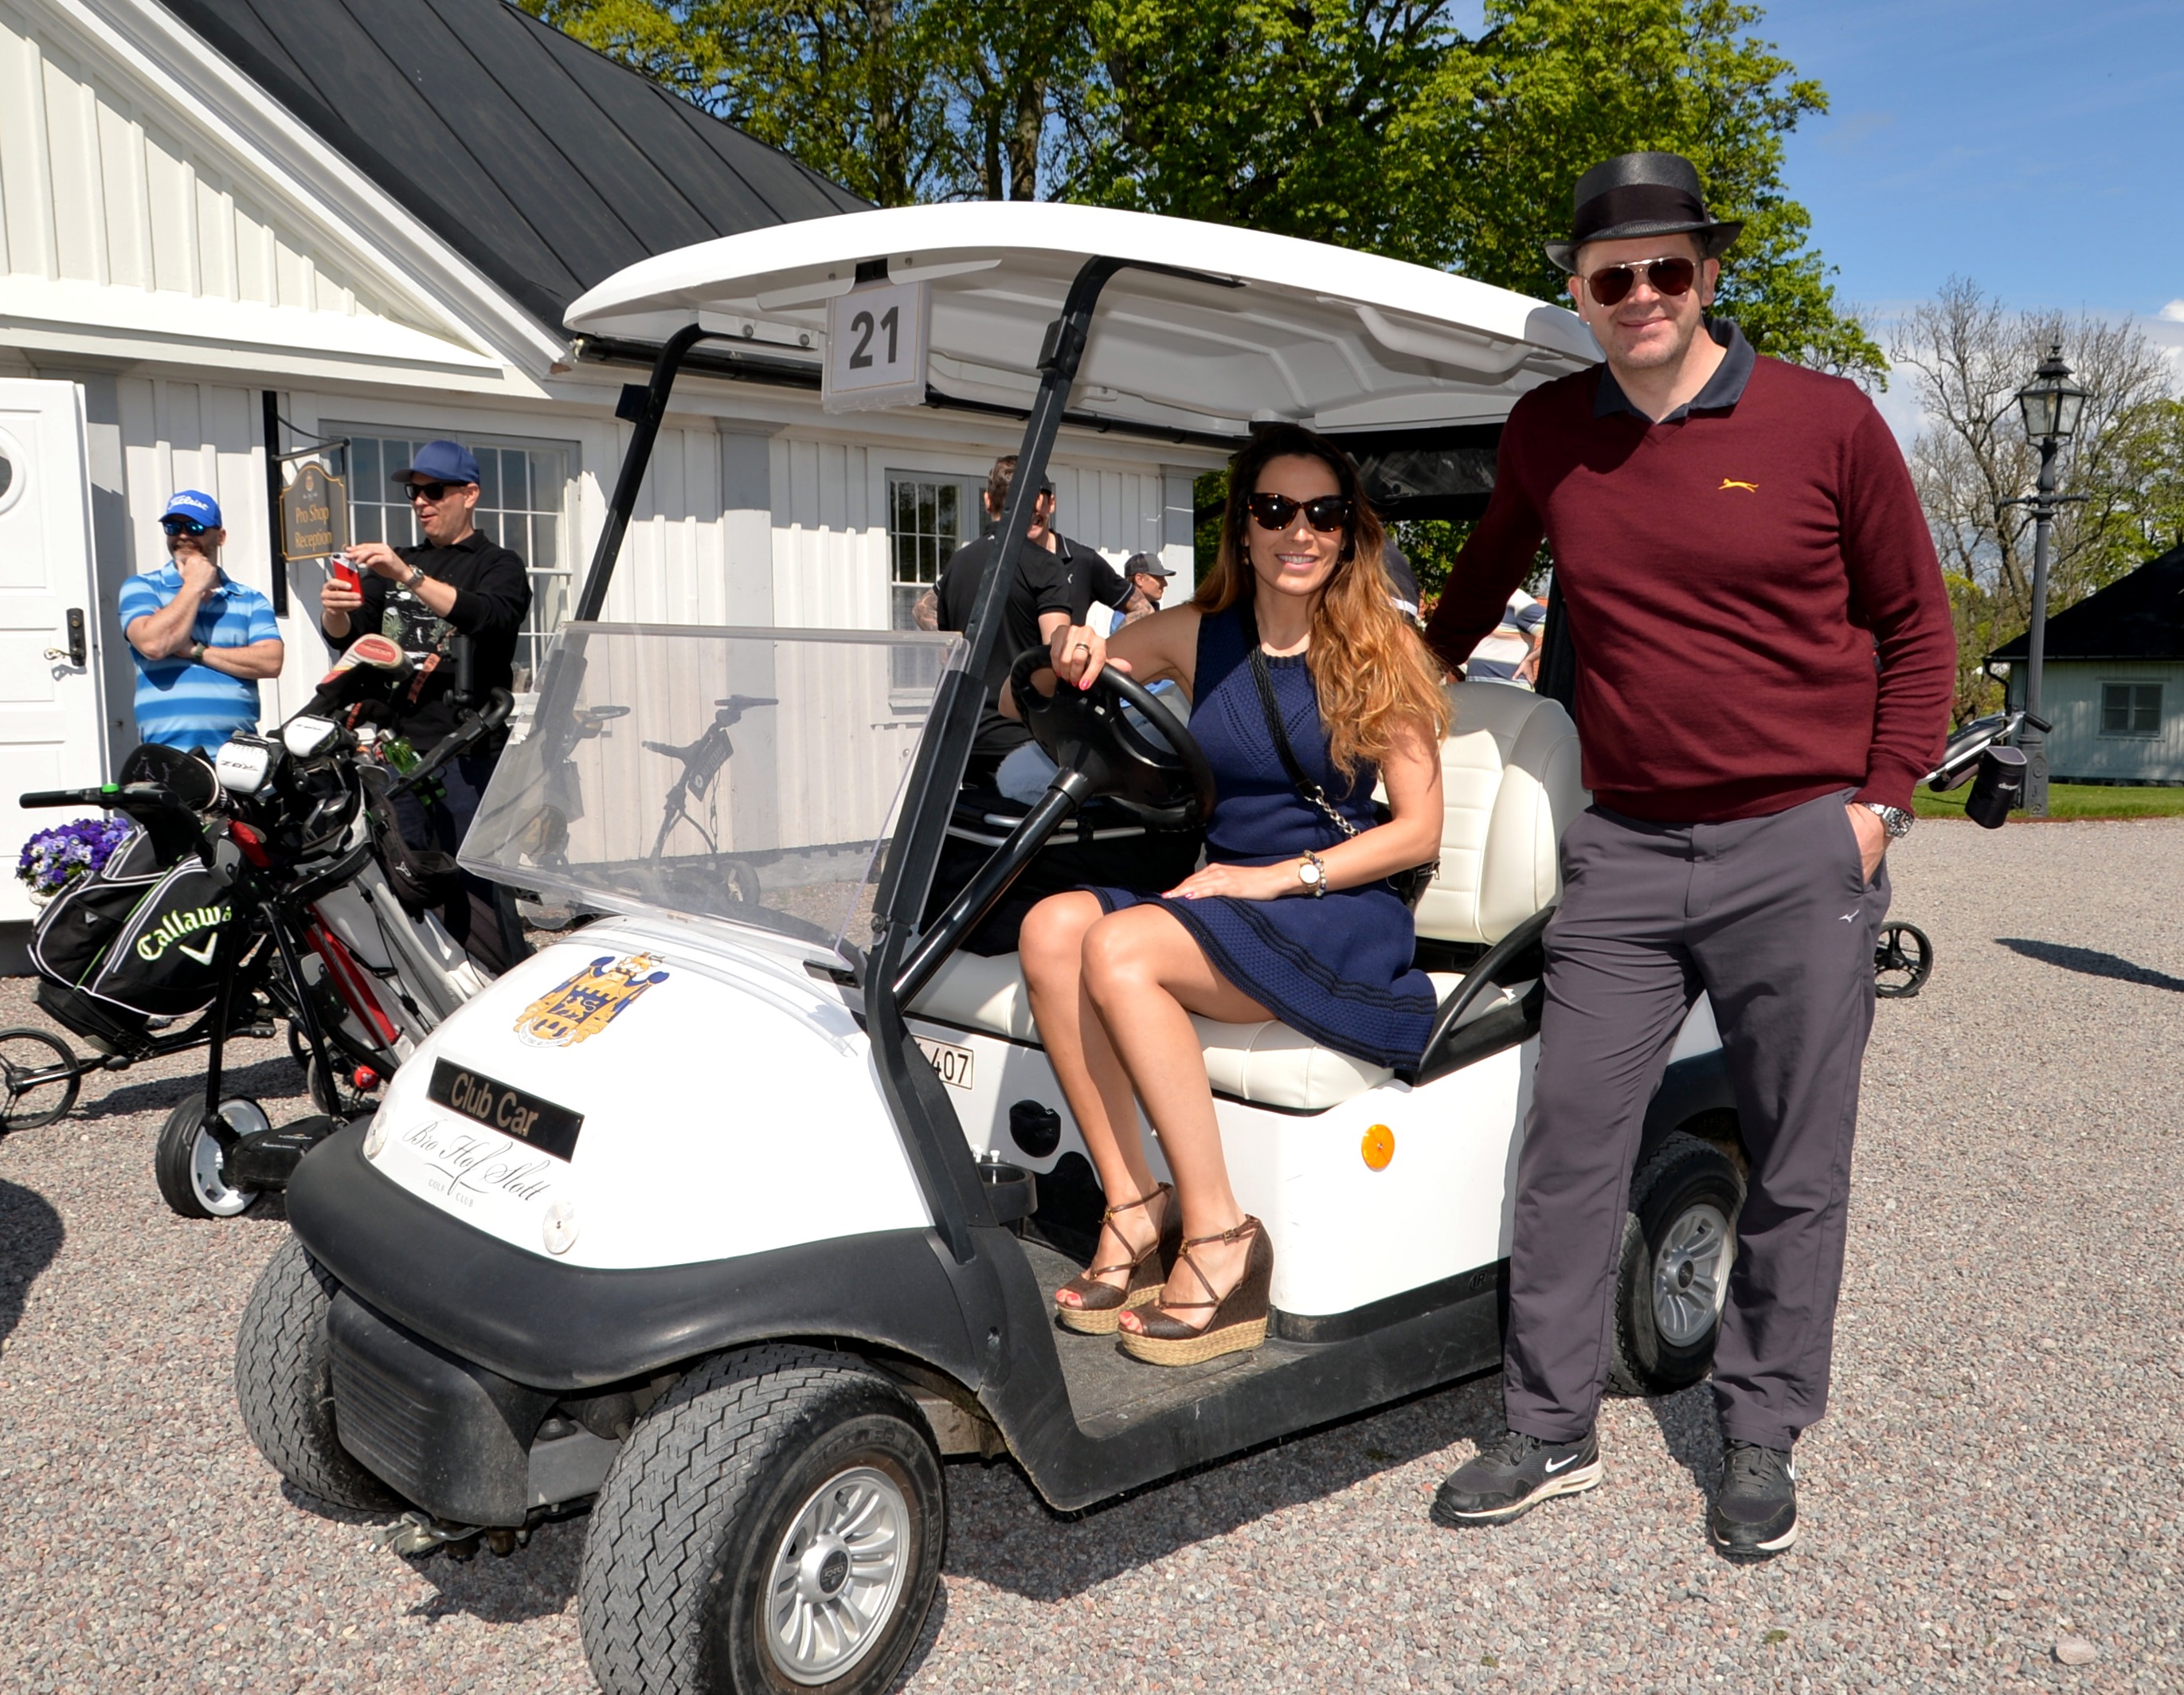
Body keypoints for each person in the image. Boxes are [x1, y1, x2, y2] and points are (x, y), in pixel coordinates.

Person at [1422, 151, 1954, 1555]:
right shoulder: (1547, 432)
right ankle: (1547, 1428)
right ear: (1580, 291)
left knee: (1794, 1155)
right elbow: (1472, 591)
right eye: (1614, 275)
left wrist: (1877, 807)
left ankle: (1759, 1431)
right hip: (1627, 849)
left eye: (1668, 267)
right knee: (1568, 1146)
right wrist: (1368, 695)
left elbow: (1917, 625)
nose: (1643, 292)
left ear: (1709, 275)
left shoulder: (1825, 421)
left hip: (1798, 841)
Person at [1017, 424, 1447, 1366]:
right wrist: (1068, 643)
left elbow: (1419, 832)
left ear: (1347, 532)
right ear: (1242, 528)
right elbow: (1040, 691)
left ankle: (1220, 1235)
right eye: (1275, 509)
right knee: (1051, 928)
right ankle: (1135, 1203)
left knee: (1118, 946)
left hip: (1332, 905)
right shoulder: (1195, 634)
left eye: (1323, 513)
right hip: (1224, 895)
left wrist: (1271, 877)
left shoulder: (1384, 649)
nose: (1300, 532)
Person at [919, 458, 1182, 952]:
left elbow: (928, 615)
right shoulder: (1044, 566)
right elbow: (1053, 653)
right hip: (1025, 737)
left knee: (983, 847)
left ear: (989, 502)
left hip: (966, 737)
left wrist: (959, 646)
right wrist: (1093, 655)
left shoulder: (962, 563)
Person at [319, 440, 531, 973]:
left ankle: (497, 982)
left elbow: (490, 617)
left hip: (466, 752)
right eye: (414, 493)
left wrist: (408, 577)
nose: (421, 502)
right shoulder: (398, 564)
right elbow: (352, 638)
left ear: (470, 494)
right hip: (394, 752)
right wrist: (336, 610)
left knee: (477, 887)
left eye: (434, 490)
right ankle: (429, 986)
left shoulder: (497, 564)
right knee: (406, 876)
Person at [118, 491, 284, 753]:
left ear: (220, 536)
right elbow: (154, 645)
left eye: (195, 527)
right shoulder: (142, 587)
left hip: (238, 754)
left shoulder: (249, 599)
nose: (183, 535)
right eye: (173, 527)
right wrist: (194, 585)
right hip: (168, 754)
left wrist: (197, 651)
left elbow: (271, 661)